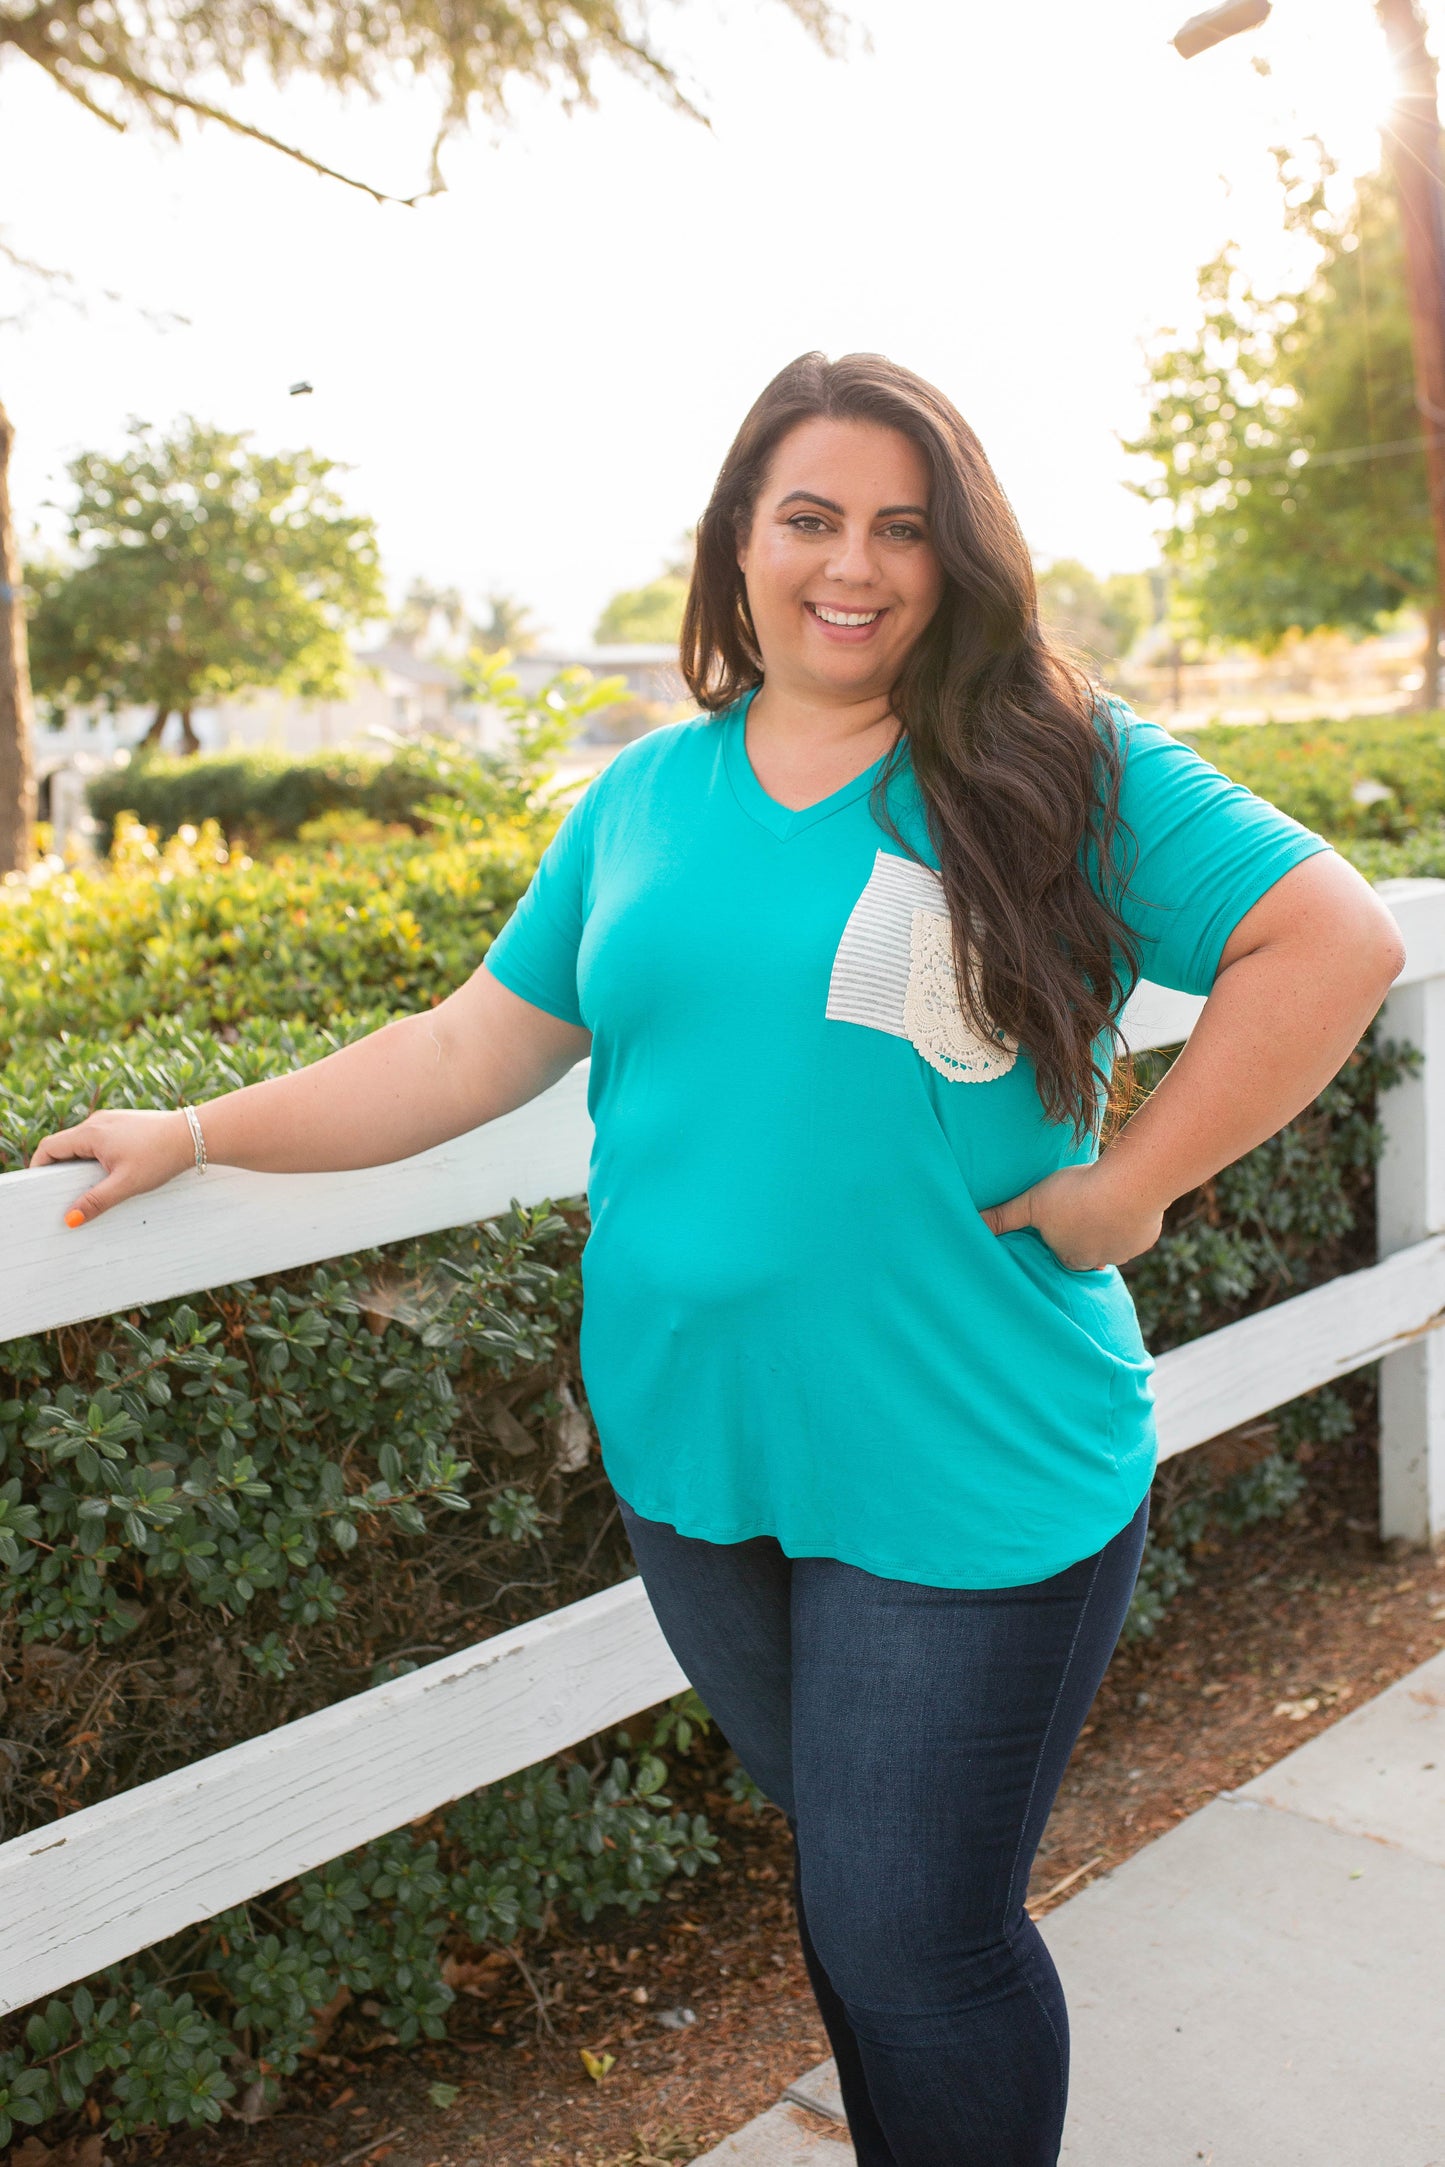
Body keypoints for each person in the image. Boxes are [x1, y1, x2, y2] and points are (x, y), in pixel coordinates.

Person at [31, 351, 1405, 2167]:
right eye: (811, 519)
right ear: (738, 547)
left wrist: (1129, 1186)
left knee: (919, 1939)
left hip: (967, 1459)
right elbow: (462, 1051)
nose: (855, 564)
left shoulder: (1045, 757)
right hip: (699, 1465)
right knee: (854, 1900)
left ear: (956, 558)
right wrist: (194, 1130)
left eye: (902, 528)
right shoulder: (641, 799)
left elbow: (1332, 940)